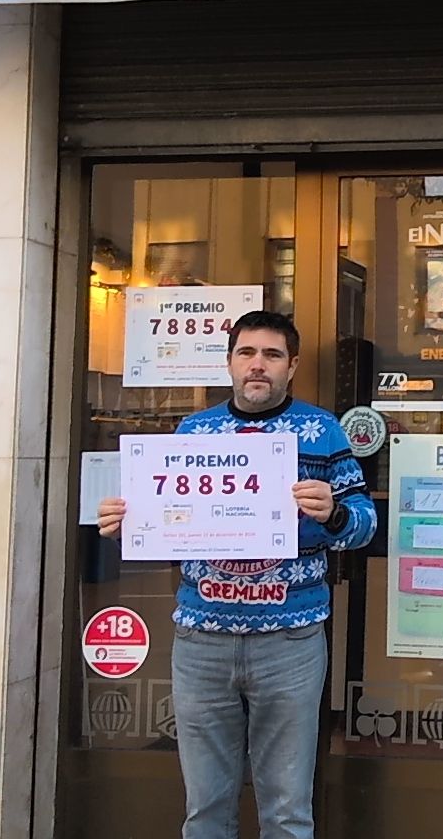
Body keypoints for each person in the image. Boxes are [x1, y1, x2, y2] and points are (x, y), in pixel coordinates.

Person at [98, 309, 376, 839]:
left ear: (291, 367)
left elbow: (365, 524)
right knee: (205, 811)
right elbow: (168, 519)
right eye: (247, 353)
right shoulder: (194, 430)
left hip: (290, 643)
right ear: (229, 363)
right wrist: (129, 522)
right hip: (202, 641)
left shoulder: (322, 431)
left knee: (289, 812)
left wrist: (335, 514)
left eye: (272, 355)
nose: (258, 366)